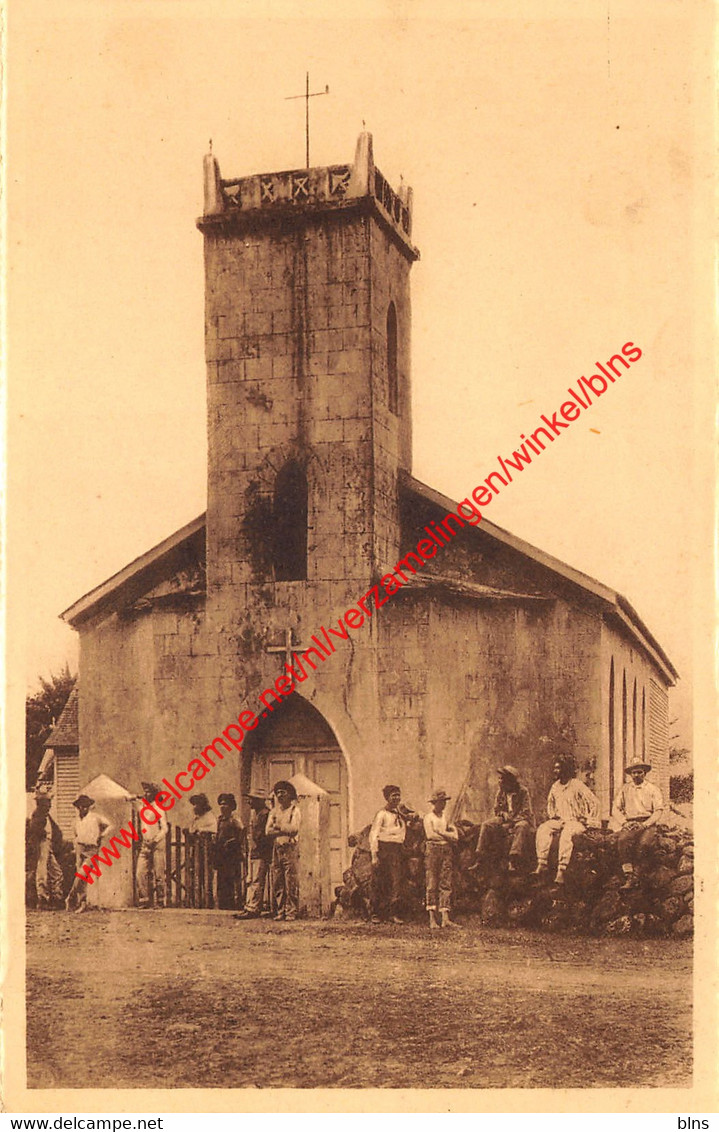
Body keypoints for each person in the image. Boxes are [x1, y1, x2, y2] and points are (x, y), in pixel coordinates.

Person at [534, 756, 600, 885]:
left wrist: (589, 820)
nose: (555, 771)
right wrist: (553, 816)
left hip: (575, 822)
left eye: (558, 768)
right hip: (560, 820)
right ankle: (542, 863)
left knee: (567, 834)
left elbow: (594, 802)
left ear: (566, 769)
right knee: (543, 828)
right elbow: (550, 804)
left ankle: (561, 871)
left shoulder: (577, 784)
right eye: (555, 768)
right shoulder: (555, 787)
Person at [611, 761, 664, 889]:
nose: (636, 775)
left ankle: (638, 875)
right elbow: (615, 809)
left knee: (644, 844)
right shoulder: (625, 789)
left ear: (644, 773)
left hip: (647, 822)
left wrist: (646, 824)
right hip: (630, 823)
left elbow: (658, 810)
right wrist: (624, 822)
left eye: (639, 772)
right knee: (623, 840)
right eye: (634, 772)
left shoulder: (653, 789)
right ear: (630, 774)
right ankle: (628, 875)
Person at [474, 765, 535, 875]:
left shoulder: (523, 791)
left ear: (510, 781)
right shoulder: (501, 792)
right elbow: (497, 809)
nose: (499, 781)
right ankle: (480, 858)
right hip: (505, 819)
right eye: (499, 778)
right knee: (487, 824)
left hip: (520, 820)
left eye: (502, 779)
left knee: (521, 826)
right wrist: (503, 814)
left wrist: (512, 820)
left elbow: (526, 812)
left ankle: (513, 858)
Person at [65, 794, 111, 912]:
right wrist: (76, 845)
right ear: (78, 807)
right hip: (80, 848)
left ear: (89, 807)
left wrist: (101, 836)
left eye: (85, 806)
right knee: (81, 878)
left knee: (82, 874)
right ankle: (82, 903)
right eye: (81, 806)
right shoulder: (76, 821)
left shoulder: (95, 817)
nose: (83, 808)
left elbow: (110, 825)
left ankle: (70, 896)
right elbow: (75, 834)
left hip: (92, 849)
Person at [369, 784, 407, 924]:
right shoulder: (381, 814)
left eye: (398, 795)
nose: (396, 798)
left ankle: (393, 913)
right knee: (379, 881)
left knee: (396, 882)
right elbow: (373, 834)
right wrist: (374, 855)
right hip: (384, 849)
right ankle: (376, 914)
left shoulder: (400, 814)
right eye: (393, 795)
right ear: (387, 798)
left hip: (397, 850)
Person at [423, 789, 460, 929]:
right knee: (431, 882)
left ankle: (445, 918)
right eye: (441, 802)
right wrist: (446, 835)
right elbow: (430, 835)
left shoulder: (446, 817)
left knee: (446, 883)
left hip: (446, 850)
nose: (443, 804)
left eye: (444, 801)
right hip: (432, 849)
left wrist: (441, 832)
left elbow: (455, 836)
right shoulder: (429, 817)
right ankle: (432, 918)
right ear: (435, 803)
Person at [265, 780, 301, 921]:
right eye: (278, 792)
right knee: (278, 881)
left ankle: (291, 911)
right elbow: (267, 831)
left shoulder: (295, 811)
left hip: (290, 848)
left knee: (290, 881)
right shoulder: (274, 812)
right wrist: (283, 830)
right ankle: (280, 911)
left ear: (290, 795)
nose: (280, 795)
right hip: (277, 848)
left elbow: (294, 830)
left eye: (283, 793)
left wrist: (279, 827)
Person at [235, 791, 273, 919]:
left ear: (260, 801)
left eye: (253, 799)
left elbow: (264, 835)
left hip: (261, 852)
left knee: (257, 880)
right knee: (251, 879)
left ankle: (254, 908)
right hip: (254, 851)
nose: (250, 802)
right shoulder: (255, 814)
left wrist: (259, 846)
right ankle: (249, 906)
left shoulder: (265, 814)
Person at [26, 794, 65, 909]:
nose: (50, 805)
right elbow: (34, 830)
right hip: (42, 844)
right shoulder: (37, 815)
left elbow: (55, 830)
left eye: (49, 802)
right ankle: (42, 899)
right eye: (47, 802)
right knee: (42, 871)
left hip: (48, 844)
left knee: (56, 871)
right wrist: (41, 838)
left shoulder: (46, 816)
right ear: (41, 803)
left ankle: (56, 897)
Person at [136, 782, 167, 909]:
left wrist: (155, 840)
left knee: (159, 873)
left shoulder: (159, 808)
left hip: (157, 844)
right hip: (145, 844)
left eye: (148, 791)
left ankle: (160, 901)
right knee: (140, 872)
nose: (146, 793)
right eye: (145, 791)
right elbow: (132, 801)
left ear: (154, 794)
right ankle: (144, 900)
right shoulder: (142, 807)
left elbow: (165, 829)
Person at [214, 793, 246, 910]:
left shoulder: (235, 819)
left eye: (225, 804)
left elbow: (242, 832)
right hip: (222, 853)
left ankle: (234, 904)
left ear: (231, 806)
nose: (223, 807)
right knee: (221, 879)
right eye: (221, 804)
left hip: (233, 853)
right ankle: (223, 904)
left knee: (232, 879)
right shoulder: (220, 819)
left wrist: (234, 842)